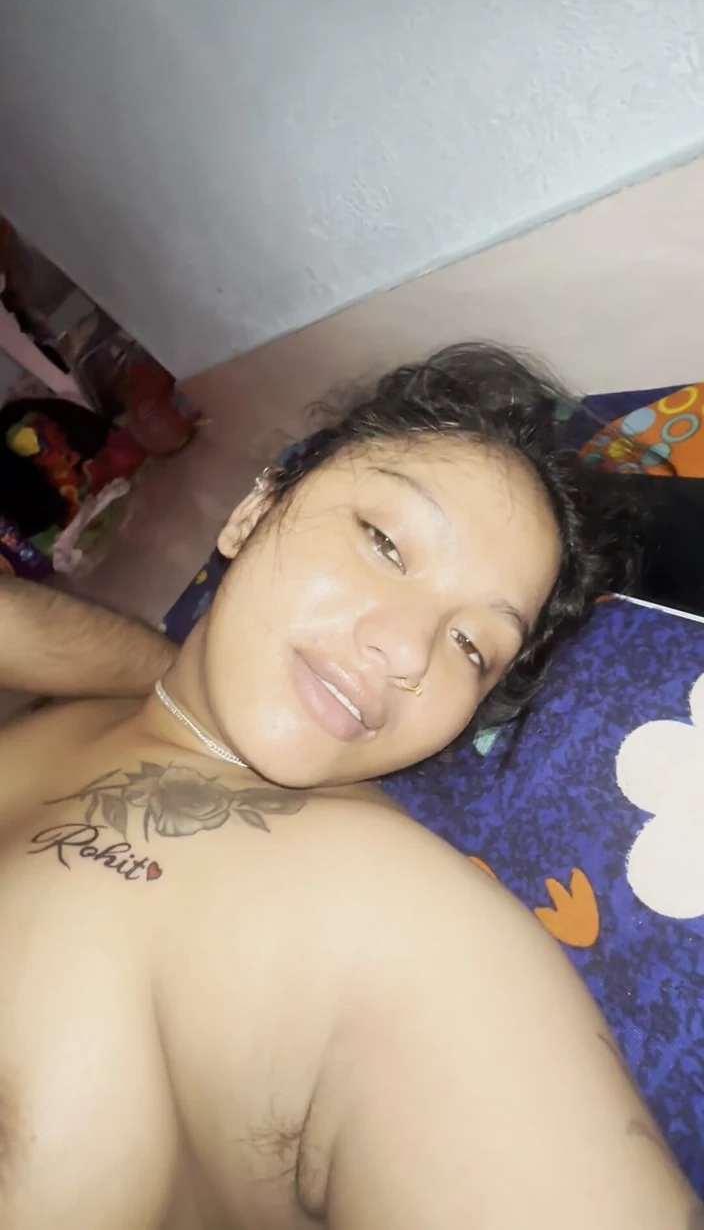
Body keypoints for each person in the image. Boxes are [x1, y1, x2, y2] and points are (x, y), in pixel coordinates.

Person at [0, 343, 698, 1229]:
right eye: (384, 542)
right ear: (253, 512)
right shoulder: (82, 718)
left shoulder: (389, 910)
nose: (406, 650)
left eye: (472, 646)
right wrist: (170, 678)